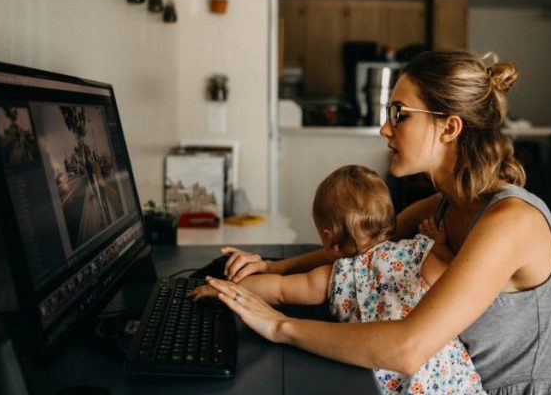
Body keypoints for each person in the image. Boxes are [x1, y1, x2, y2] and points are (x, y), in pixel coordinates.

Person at [203, 50, 551, 394]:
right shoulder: (443, 206)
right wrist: (273, 268)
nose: (384, 128)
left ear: (449, 128)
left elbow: (408, 347)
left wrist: (278, 326)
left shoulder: (511, 221)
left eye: (399, 113)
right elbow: (365, 247)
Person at [190, 165, 485, 394]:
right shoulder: (422, 252)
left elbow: (277, 291)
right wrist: (440, 243)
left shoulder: (337, 275)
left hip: (382, 382)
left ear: (329, 239)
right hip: (450, 379)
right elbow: (449, 277)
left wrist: (225, 289)